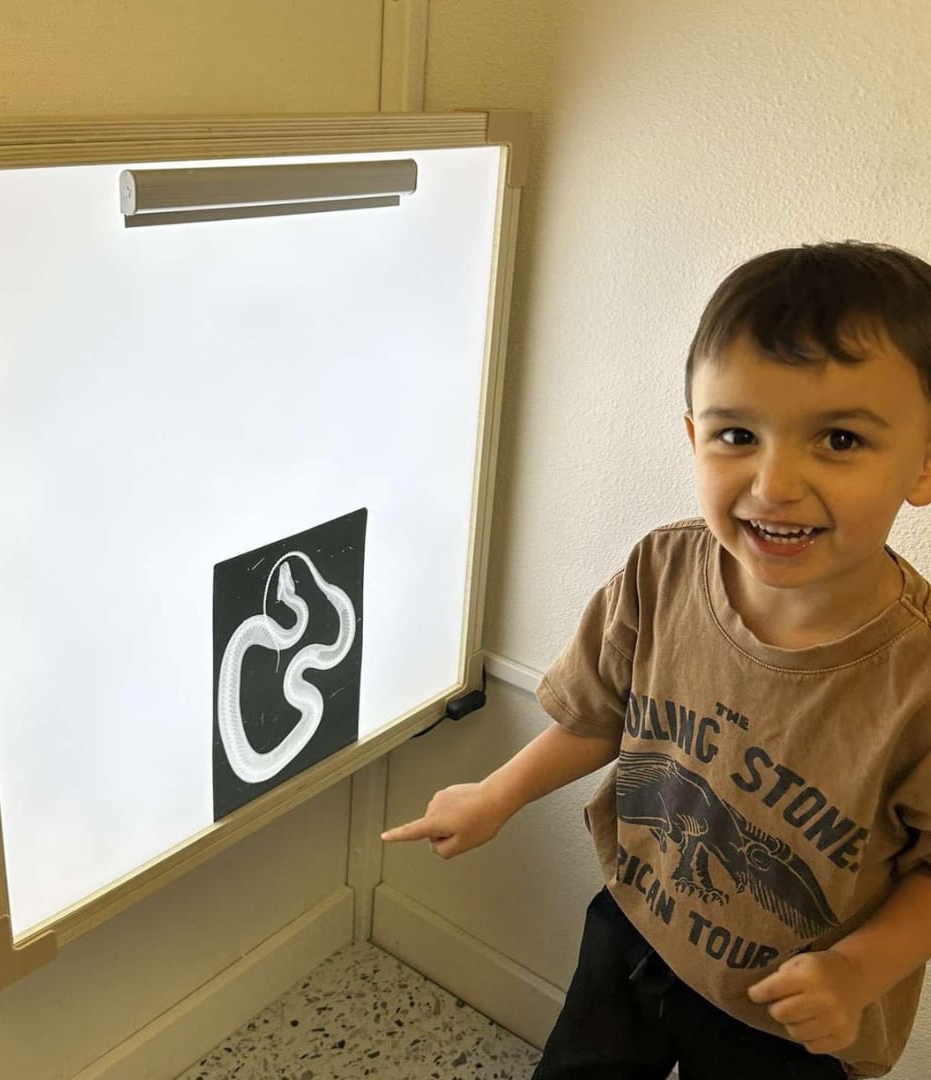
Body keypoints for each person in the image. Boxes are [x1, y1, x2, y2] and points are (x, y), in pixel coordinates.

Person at [382, 241, 931, 1080]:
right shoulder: (661, 572)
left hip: (788, 1016)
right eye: (738, 434)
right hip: (635, 929)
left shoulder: (918, 677)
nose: (774, 482)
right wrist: (497, 794)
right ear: (693, 437)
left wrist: (857, 972)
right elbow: (600, 716)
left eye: (841, 439)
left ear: (923, 463)